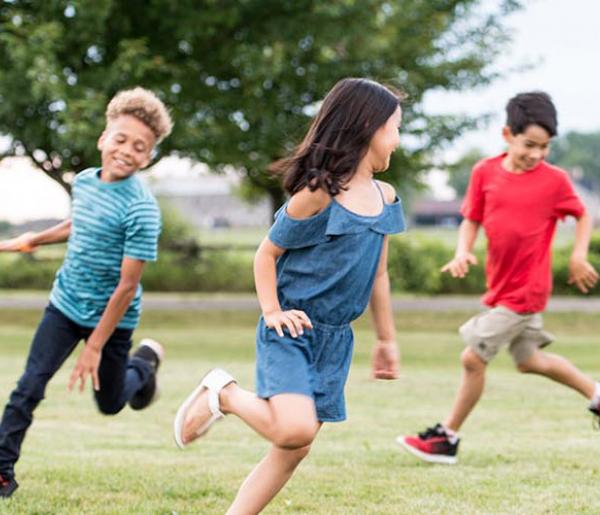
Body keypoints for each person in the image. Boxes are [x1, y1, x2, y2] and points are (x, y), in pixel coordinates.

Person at [173, 78, 405, 514]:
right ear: (368, 127)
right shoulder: (318, 195)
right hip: (293, 327)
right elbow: (267, 253)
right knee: (292, 431)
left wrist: (386, 339)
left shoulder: (387, 198)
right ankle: (224, 394)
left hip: (336, 339)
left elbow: (379, 274)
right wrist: (272, 310)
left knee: (294, 448)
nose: (398, 139)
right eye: (395, 127)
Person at [398, 91, 600, 465]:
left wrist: (577, 255)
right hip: (501, 287)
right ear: (508, 134)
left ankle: (447, 438)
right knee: (529, 360)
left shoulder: (554, 181)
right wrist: (463, 250)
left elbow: (583, 215)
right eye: (529, 144)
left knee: (472, 359)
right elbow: (472, 217)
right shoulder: (484, 172)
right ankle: (597, 394)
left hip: (526, 291)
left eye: (545, 147)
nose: (537, 154)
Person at [0, 87, 173, 497]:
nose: (127, 151)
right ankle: (3, 471)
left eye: (139, 146)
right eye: (120, 139)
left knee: (111, 403)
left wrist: (95, 344)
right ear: (103, 138)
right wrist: (33, 240)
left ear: (148, 156)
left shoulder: (142, 209)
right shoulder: (85, 182)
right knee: (30, 385)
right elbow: (79, 223)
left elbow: (128, 286)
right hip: (65, 305)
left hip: (112, 321)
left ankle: (144, 364)